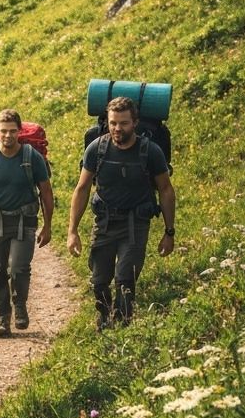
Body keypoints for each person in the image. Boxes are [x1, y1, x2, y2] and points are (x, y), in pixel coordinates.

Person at [67, 95, 176, 330]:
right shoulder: (97, 149)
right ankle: (105, 318)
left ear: (135, 123)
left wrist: (169, 232)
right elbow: (82, 188)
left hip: (136, 223)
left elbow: (166, 190)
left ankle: (123, 325)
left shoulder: (151, 152)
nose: (117, 128)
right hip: (105, 221)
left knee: (126, 278)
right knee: (99, 281)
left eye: (124, 123)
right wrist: (72, 231)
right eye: (113, 123)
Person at [0, 109, 54, 337]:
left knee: (18, 268)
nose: (8, 136)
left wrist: (48, 226)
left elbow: (46, 192)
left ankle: (20, 305)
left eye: (13, 131)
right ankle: (2, 317)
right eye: (3, 131)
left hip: (25, 220)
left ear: (20, 131)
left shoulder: (32, 157)